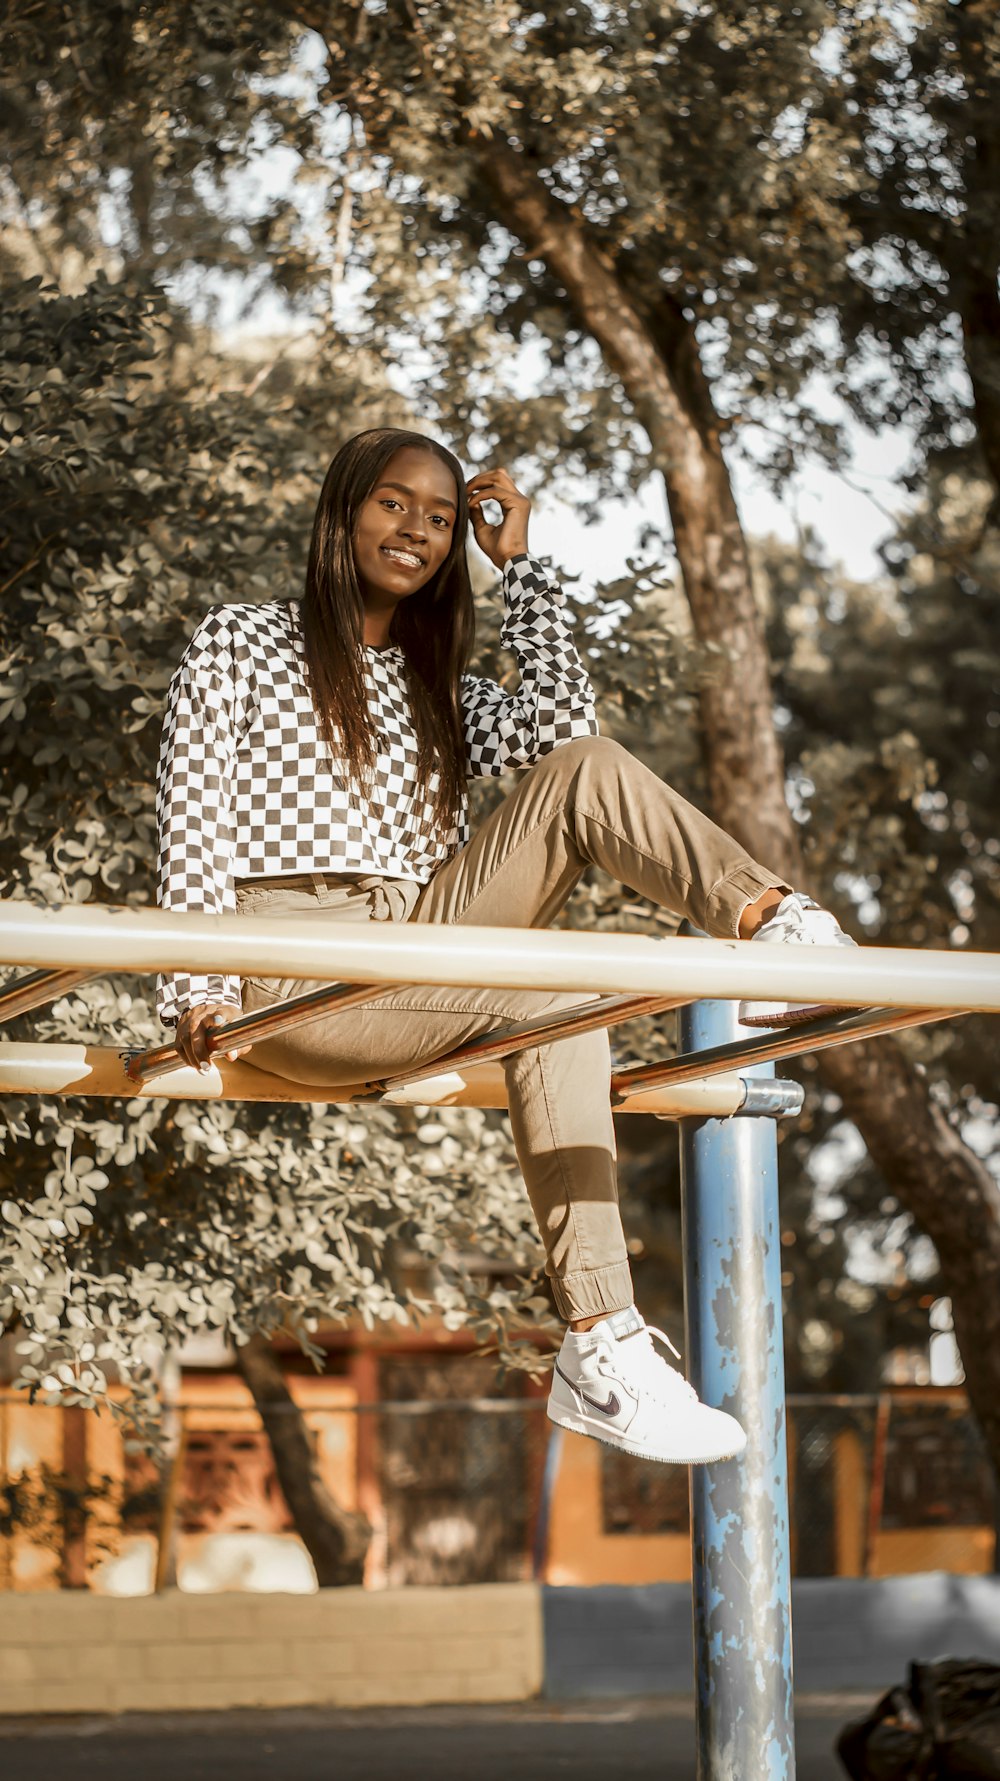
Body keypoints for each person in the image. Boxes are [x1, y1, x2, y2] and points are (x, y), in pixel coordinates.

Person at [155, 426, 855, 1467]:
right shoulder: (240, 641)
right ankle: (601, 1339)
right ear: (343, 510)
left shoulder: (436, 684)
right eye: (396, 504)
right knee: (562, 997)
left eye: (440, 518)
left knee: (584, 768)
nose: (420, 530)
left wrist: (518, 569)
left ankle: (776, 926)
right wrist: (192, 985)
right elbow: (191, 810)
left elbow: (568, 734)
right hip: (293, 959)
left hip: (420, 936)